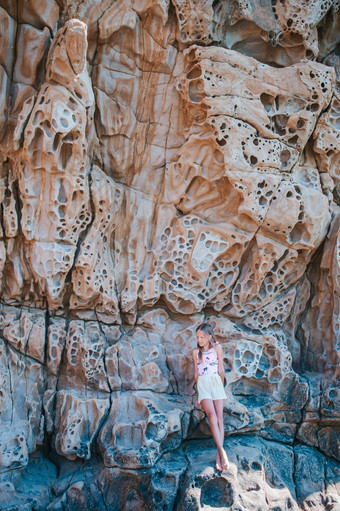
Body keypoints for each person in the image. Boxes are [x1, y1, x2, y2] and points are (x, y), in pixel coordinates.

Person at [192, 323, 229, 471]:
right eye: (197, 337)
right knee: (212, 416)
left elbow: (221, 370)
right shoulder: (195, 352)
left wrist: (222, 388)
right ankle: (223, 452)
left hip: (216, 382)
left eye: (202, 337)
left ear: (209, 336)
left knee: (220, 417)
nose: (199, 340)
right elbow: (196, 374)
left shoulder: (217, 348)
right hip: (203, 385)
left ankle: (219, 454)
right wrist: (198, 393)